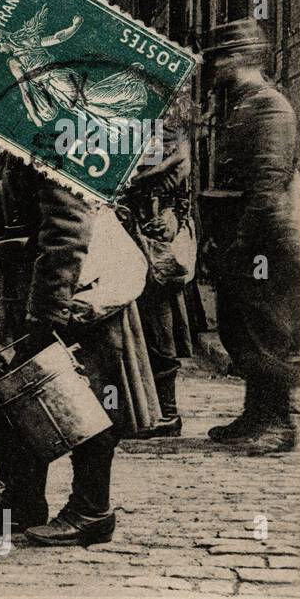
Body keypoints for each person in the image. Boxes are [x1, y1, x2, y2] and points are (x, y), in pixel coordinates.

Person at [0, 154, 130, 546]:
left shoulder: (60, 140)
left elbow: (68, 230)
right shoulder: (38, 136)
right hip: (45, 288)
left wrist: (48, 314)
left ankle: (91, 510)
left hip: (72, 295)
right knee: (30, 395)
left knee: (83, 399)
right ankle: (24, 500)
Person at [203, 18, 300, 454]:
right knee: (240, 330)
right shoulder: (240, 104)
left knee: (266, 331)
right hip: (239, 239)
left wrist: (242, 243)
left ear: (242, 58)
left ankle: (278, 423)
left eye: (222, 57)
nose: (216, 66)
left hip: (264, 240)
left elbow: (269, 183)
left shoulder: (269, 106)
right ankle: (254, 415)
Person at [118, 103, 195, 439]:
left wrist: (174, 217)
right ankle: (130, 409)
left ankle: (167, 412)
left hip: (151, 237)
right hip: (120, 231)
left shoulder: (171, 137)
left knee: (157, 322)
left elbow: (182, 194)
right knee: (120, 325)